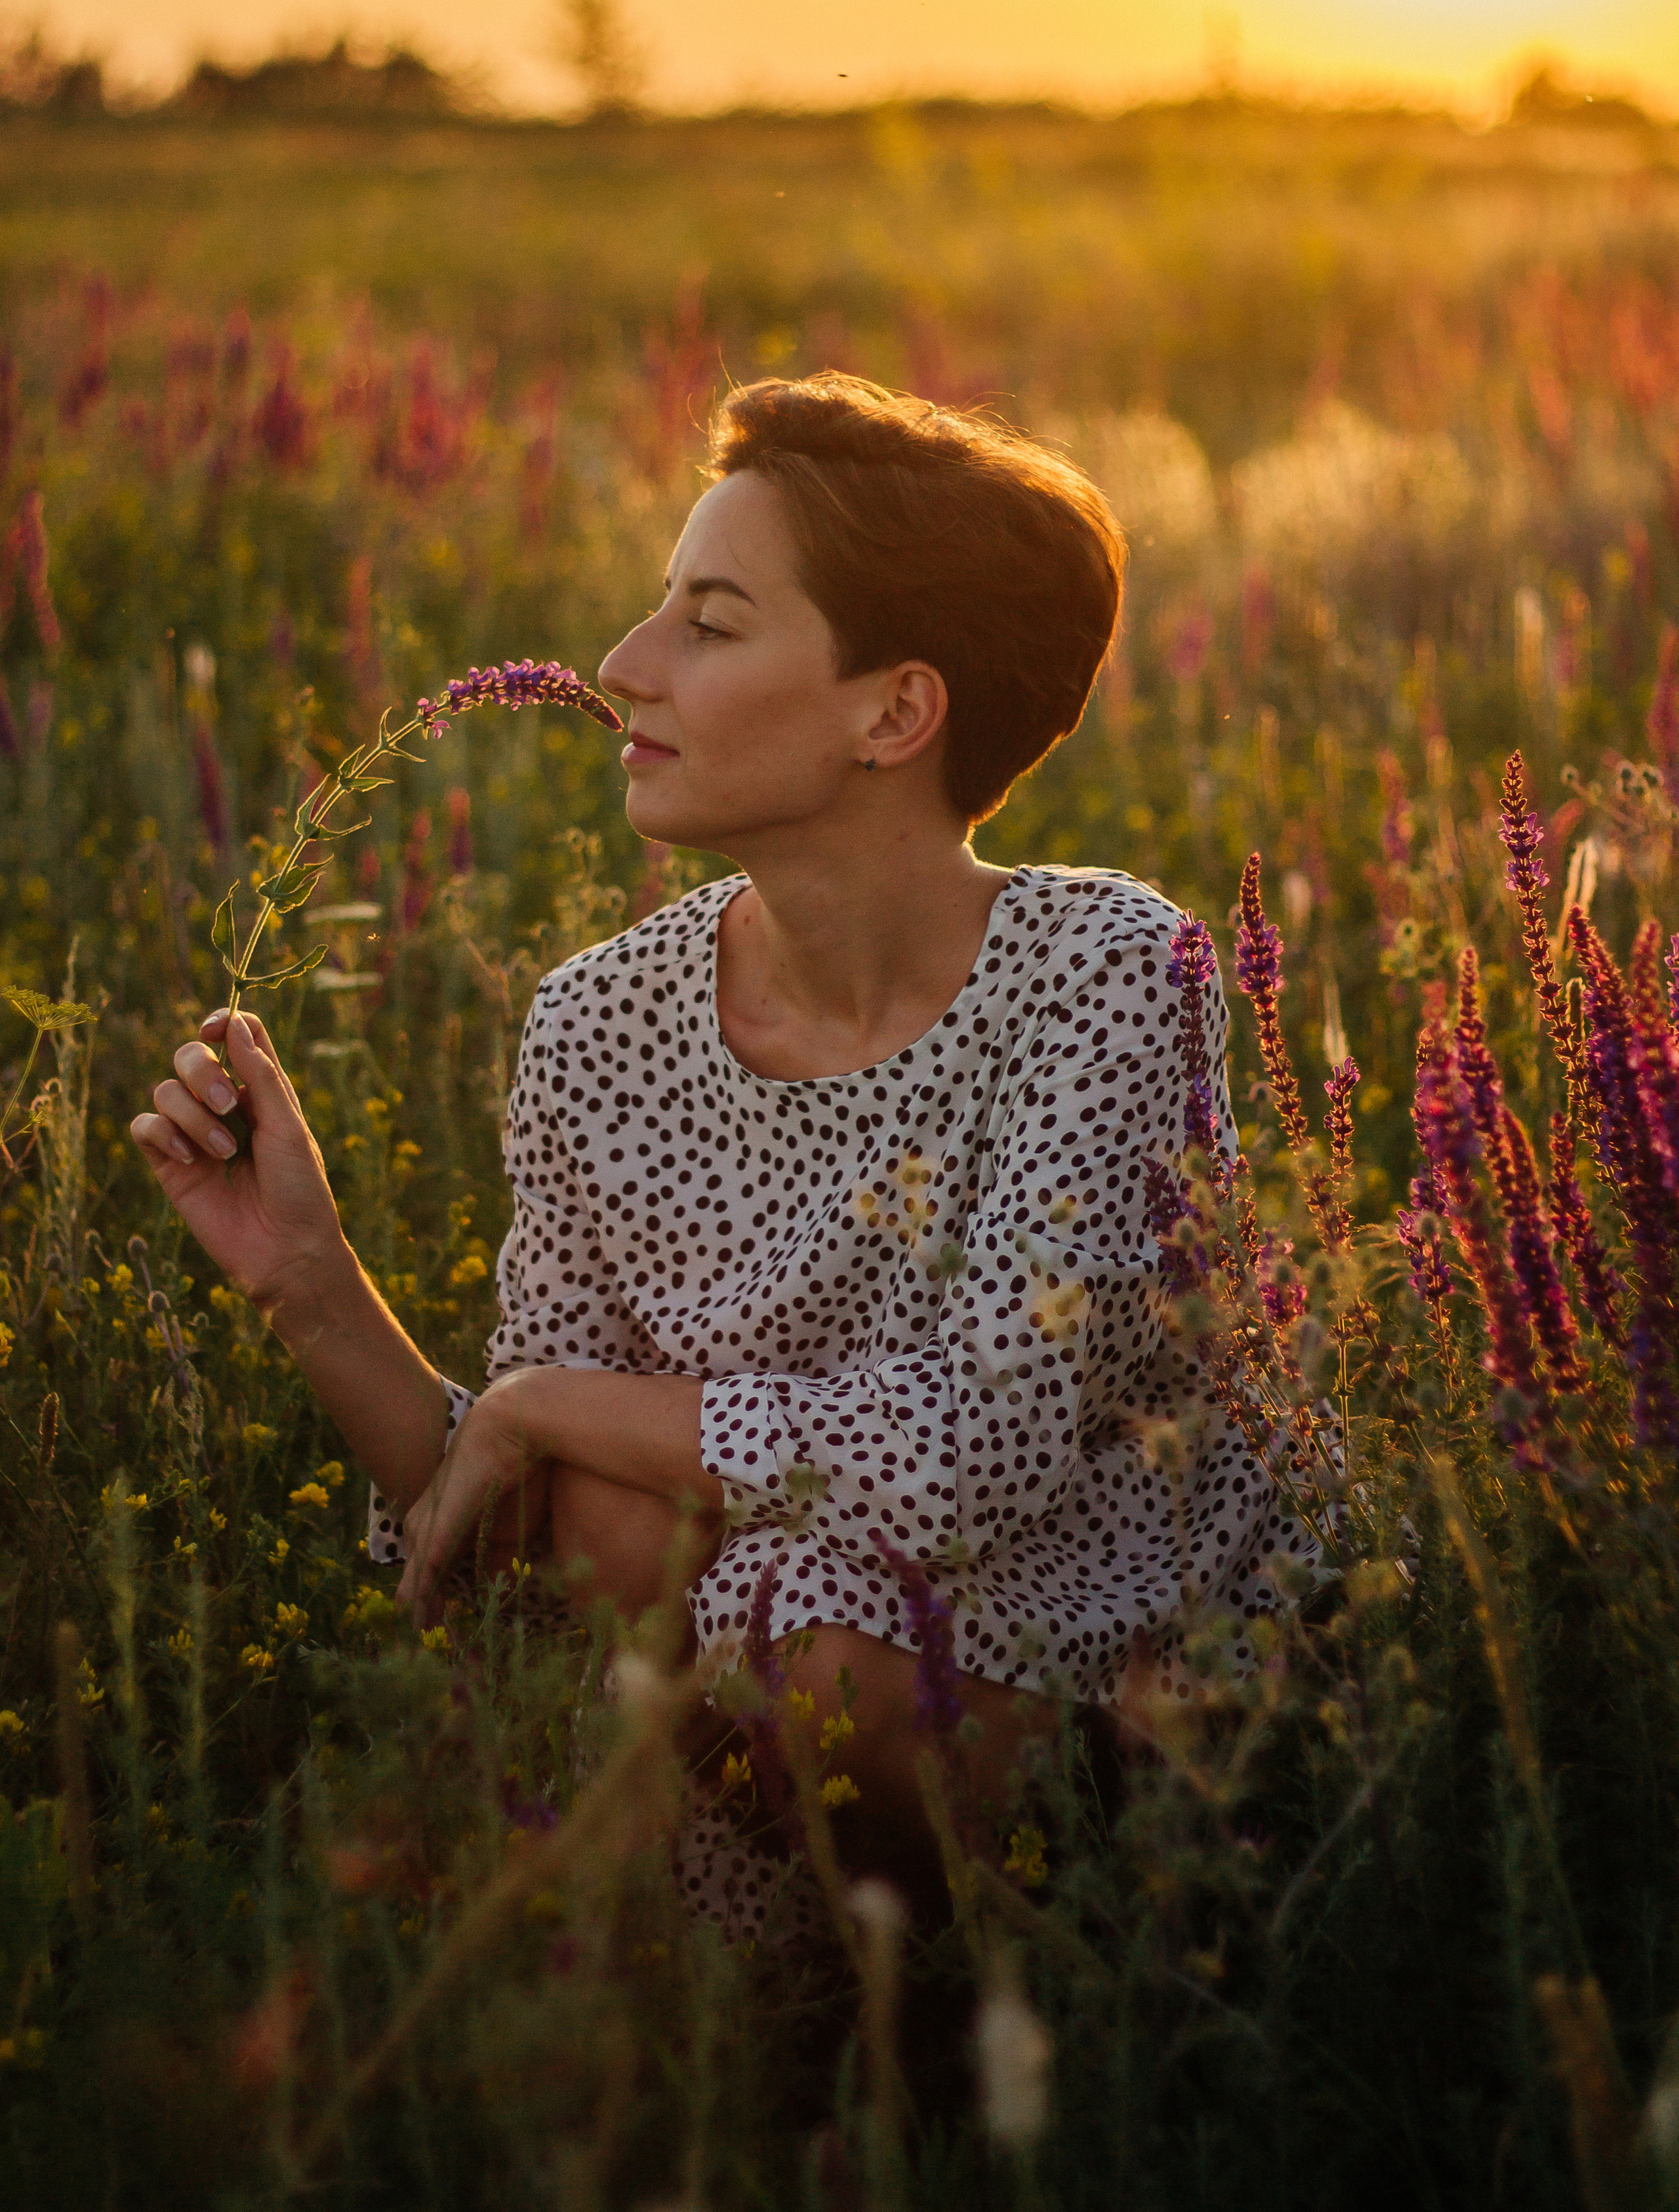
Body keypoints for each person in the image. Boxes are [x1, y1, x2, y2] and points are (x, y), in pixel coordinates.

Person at [132, 372, 1305, 1931]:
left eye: (711, 621)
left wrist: (553, 1413)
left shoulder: (1100, 971)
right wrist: (308, 1284)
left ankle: (1118, 1976)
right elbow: (523, 1526)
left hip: (1128, 1659)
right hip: (770, 1683)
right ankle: (830, 1984)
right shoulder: (600, 1022)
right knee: (614, 1526)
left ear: (893, 711)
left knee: (787, 1624)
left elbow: (980, 1451)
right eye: (657, 607)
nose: (621, 666)